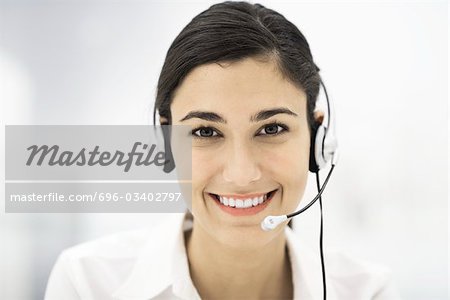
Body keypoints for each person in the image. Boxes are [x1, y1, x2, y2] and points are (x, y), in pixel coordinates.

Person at [45, 1, 401, 299]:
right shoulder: (88, 284)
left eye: (271, 128)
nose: (241, 173)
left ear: (316, 138)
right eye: (205, 131)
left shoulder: (366, 292)